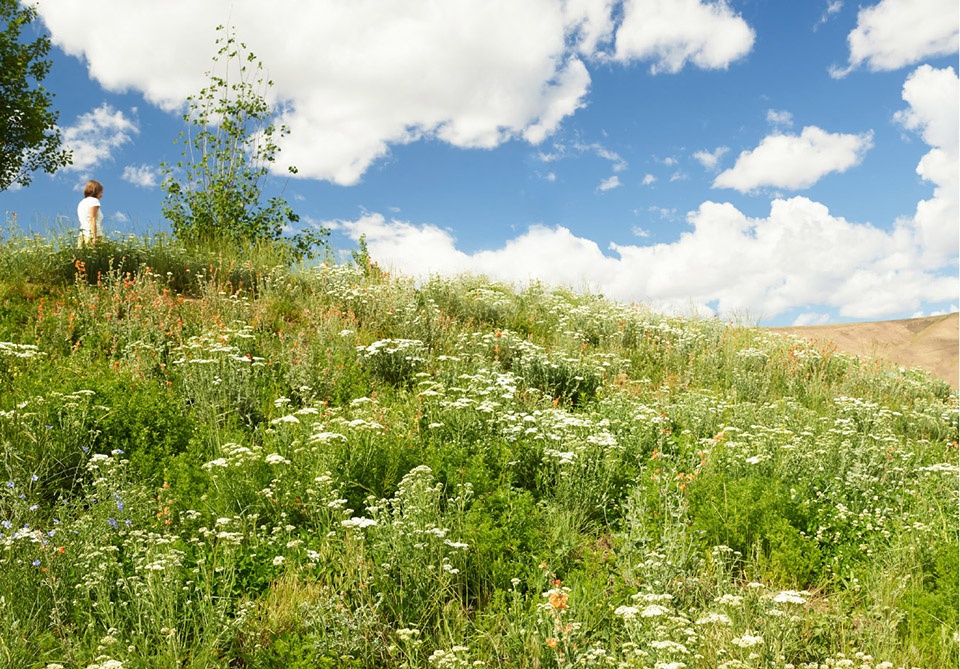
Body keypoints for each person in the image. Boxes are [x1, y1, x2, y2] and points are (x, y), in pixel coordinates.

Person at [77, 179, 104, 246]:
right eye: (101, 192)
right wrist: (94, 238)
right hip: (93, 235)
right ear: (96, 191)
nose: (101, 195)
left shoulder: (82, 202)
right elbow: (92, 219)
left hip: (82, 236)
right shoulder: (94, 201)